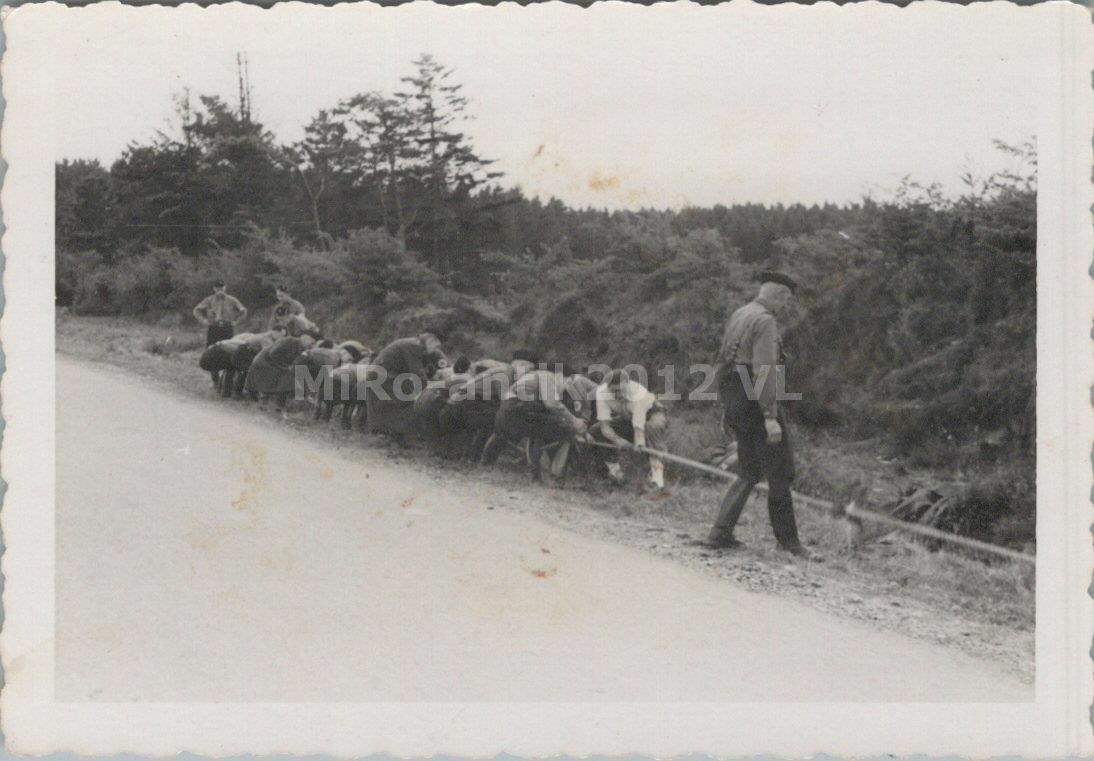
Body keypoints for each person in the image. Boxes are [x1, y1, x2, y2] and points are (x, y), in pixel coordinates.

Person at [703, 270, 812, 558]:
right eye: (786, 299)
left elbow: (722, 360)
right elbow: (764, 370)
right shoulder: (765, 321)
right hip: (755, 401)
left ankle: (719, 534)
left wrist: (726, 404)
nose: (786, 306)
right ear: (778, 295)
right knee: (781, 472)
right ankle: (788, 543)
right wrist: (770, 416)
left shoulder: (741, 313)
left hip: (735, 397)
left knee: (749, 470)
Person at [481, 366, 590, 481]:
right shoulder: (548, 377)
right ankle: (556, 477)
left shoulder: (535, 376)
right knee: (566, 431)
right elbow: (552, 404)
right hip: (518, 410)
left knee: (538, 432)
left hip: (507, 411)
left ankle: (534, 475)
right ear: (561, 376)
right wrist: (575, 422)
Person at [592, 368, 670, 496]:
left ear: (627, 384)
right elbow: (605, 426)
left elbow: (639, 428)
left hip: (652, 414)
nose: (617, 394)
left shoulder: (637, 392)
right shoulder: (602, 392)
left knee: (651, 428)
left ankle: (657, 480)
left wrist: (639, 443)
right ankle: (616, 474)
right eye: (613, 391)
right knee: (595, 430)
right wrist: (618, 440)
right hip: (628, 417)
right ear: (607, 387)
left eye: (620, 390)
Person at [364, 328, 448, 438]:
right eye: (436, 346)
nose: (436, 349)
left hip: (386, 375)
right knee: (410, 397)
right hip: (382, 376)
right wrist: (434, 388)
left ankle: (392, 431)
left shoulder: (419, 346)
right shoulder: (414, 346)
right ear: (432, 340)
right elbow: (418, 374)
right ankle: (398, 431)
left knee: (403, 398)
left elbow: (429, 368)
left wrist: (436, 376)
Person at [193, 280, 247, 346]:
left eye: (221, 287)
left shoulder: (232, 300)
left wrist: (236, 322)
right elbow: (196, 310)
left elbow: (243, 311)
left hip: (227, 327)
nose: (220, 289)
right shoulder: (209, 300)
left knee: (228, 347)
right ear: (214, 288)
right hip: (214, 326)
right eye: (217, 287)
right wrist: (204, 320)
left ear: (225, 288)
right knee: (211, 347)